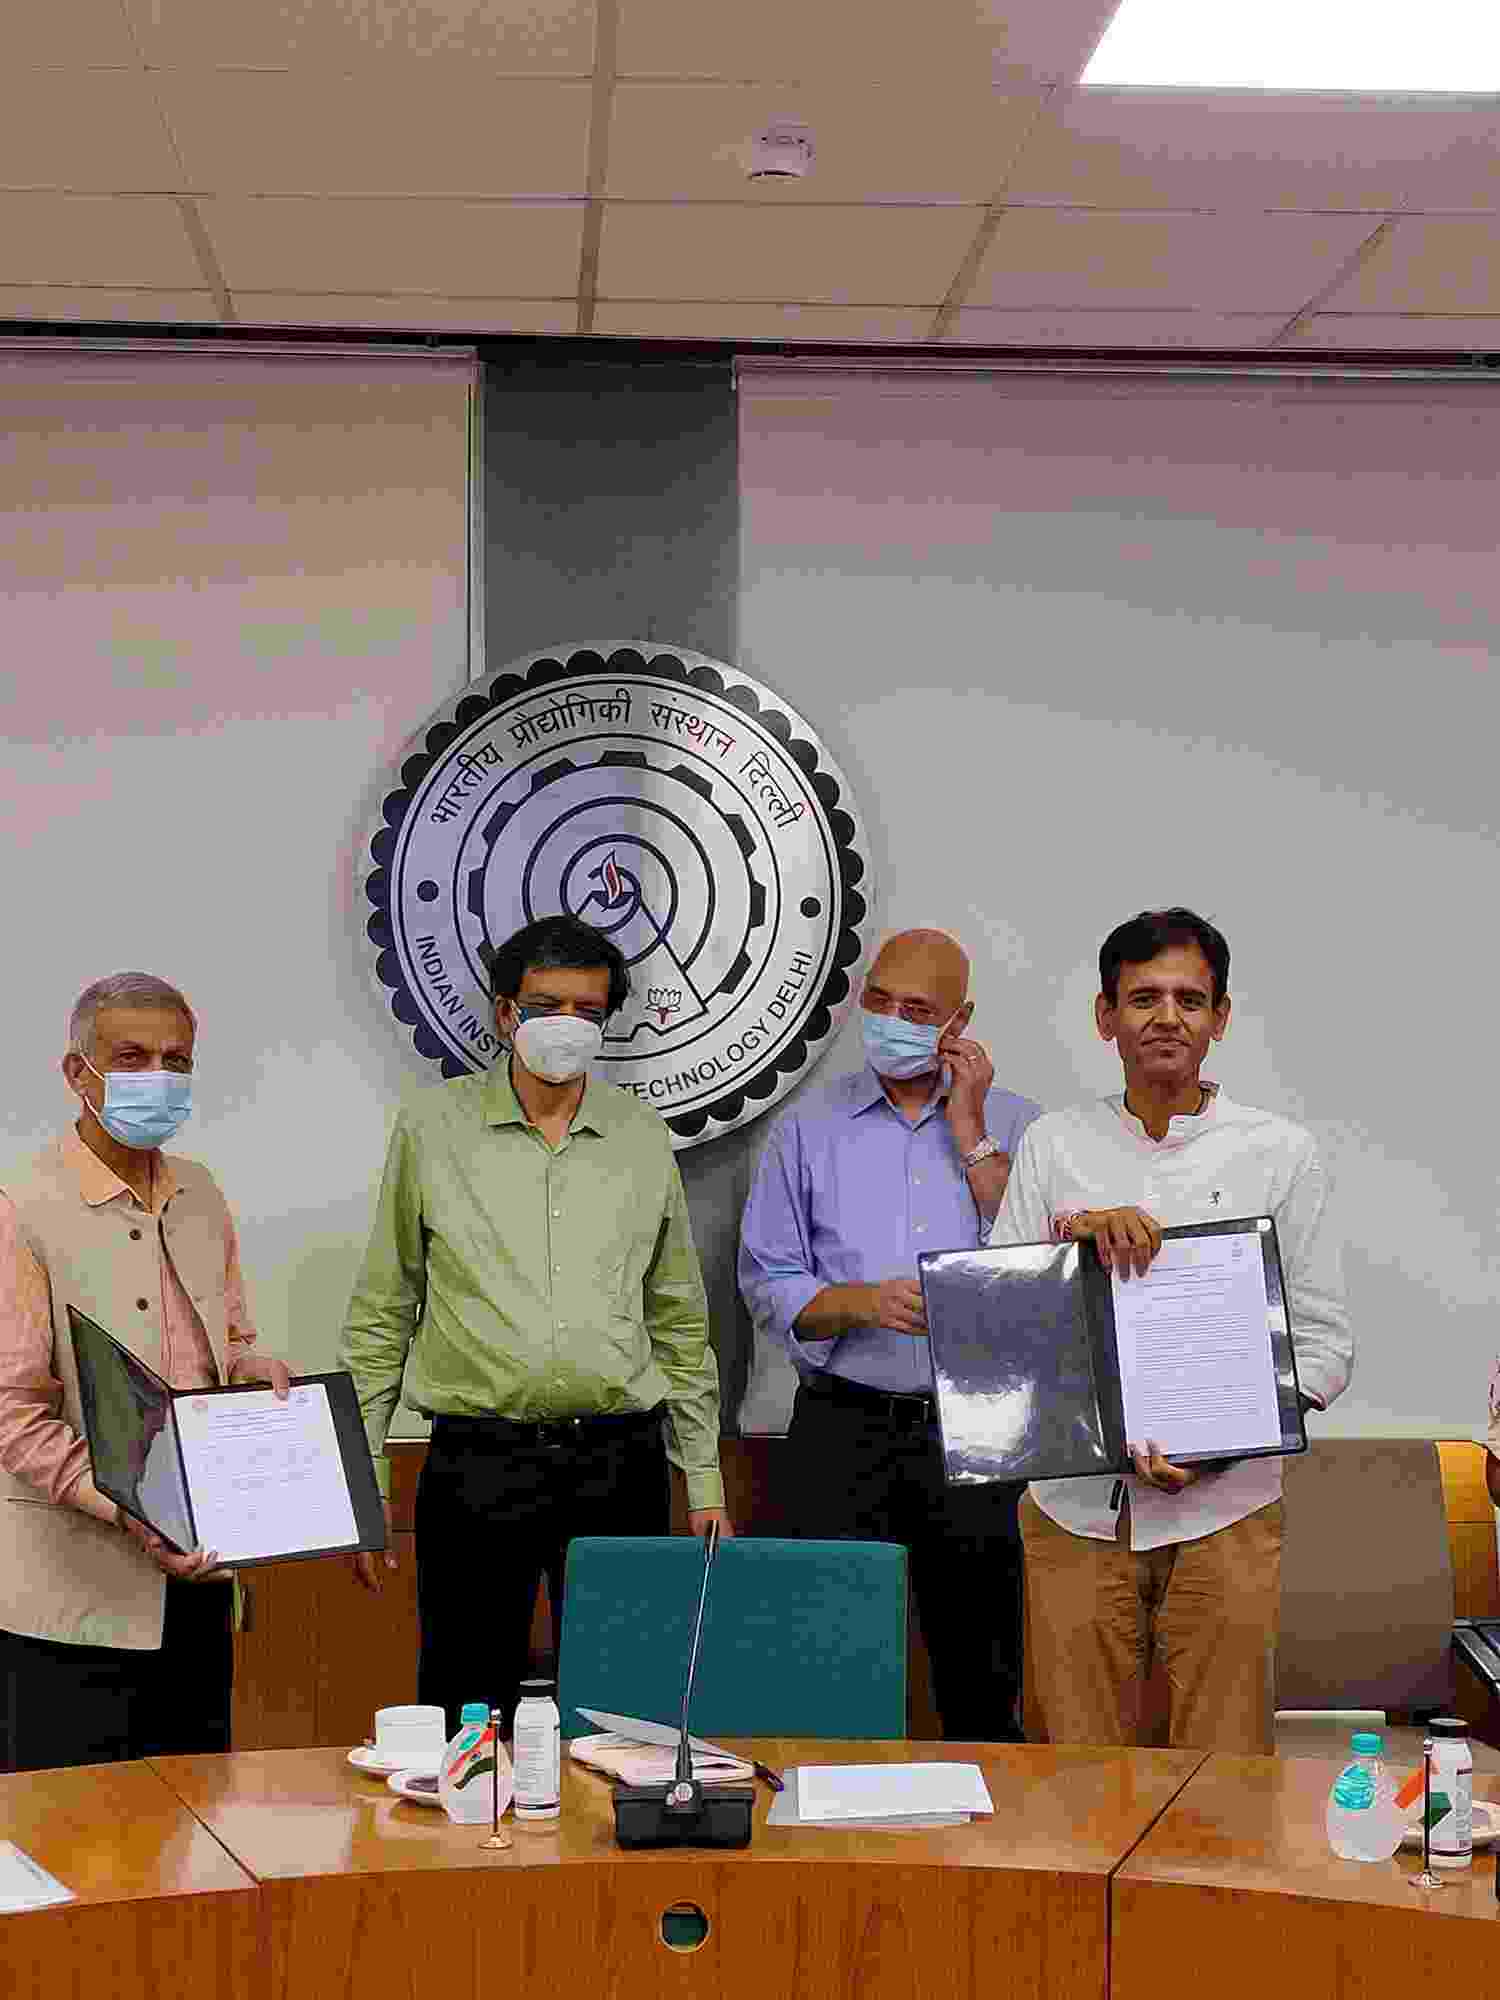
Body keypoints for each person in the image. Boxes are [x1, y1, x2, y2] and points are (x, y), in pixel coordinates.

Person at [342, 914, 729, 1732]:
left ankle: (617, 1863)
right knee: (463, 1705)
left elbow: (678, 1317)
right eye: (546, 1005)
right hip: (480, 1465)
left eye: (589, 1011)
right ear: (504, 1013)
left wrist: (704, 1478)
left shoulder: (639, 1137)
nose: (568, 1027)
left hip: (619, 1463)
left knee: (628, 1713)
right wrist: (365, 1478)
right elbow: (384, 1312)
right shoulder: (433, 1129)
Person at [991, 908, 1352, 1754]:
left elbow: (1327, 1344)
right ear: (1104, 1016)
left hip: (1227, 1513)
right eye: (1143, 997)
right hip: (1075, 1513)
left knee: (1221, 1783)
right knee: (1078, 1780)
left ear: (1221, 1019)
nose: (1167, 1017)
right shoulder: (1054, 1146)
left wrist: (1221, 1442)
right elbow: (999, 1328)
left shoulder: (1279, 1153)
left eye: (1190, 999)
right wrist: (1068, 1244)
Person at [738, 927, 1041, 1740]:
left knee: (983, 1675)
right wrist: (858, 1301)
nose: (892, 1020)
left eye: (918, 1009)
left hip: (979, 1428)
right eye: (879, 1001)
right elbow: (767, 1280)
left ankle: (986, 1855)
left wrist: (970, 1123)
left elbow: (1041, 1270)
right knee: (823, 1667)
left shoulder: (1022, 1128)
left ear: (960, 1020)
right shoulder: (808, 1127)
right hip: (844, 1422)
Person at [0, 973, 289, 1772]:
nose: (156, 1078)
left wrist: (251, 1370)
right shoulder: (20, 1202)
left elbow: (223, 1344)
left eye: (176, 1060)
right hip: (73, 1603)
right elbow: (11, 1411)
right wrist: (128, 1508)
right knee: (74, 1853)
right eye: (131, 1057)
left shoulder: (201, 1192)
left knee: (198, 1846)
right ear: (76, 1073)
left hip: (198, 1578)